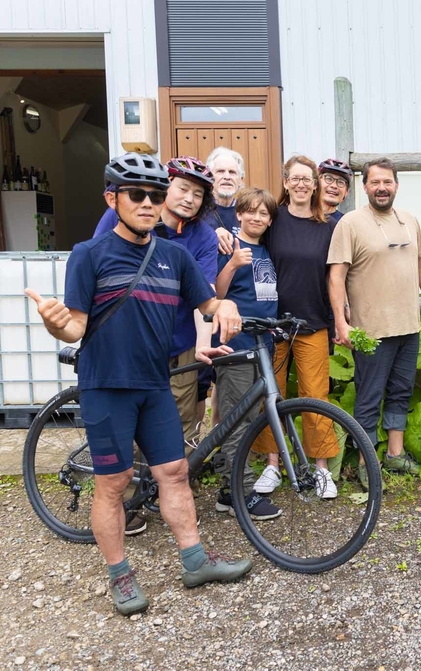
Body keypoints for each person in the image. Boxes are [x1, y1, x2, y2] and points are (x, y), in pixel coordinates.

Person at [25, 153, 252, 616]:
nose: (148, 202)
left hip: (155, 384)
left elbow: (208, 302)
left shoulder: (174, 255)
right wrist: (55, 325)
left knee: (174, 473)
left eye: (155, 194)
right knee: (115, 482)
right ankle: (121, 576)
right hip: (106, 385)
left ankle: (194, 560)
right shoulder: (90, 254)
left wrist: (224, 309)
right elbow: (76, 328)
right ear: (113, 199)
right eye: (136, 194)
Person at [93, 155, 219, 535]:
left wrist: (202, 343)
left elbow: (206, 295)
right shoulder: (121, 219)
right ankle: (127, 501)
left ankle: (165, 492)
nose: (189, 199)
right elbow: (99, 269)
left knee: (175, 423)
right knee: (126, 429)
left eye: (198, 194)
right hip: (125, 345)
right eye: (182, 189)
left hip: (176, 339)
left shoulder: (201, 237)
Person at [218, 155, 342, 498]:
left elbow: (340, 272)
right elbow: (243, 225)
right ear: (286, 182)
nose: (302, 184)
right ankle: (273, 464)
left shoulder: (329, 224)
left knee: (316, 395)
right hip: (272, 325)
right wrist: (219, 230)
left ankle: (320, 469)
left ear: (315, 184)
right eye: (295, 178)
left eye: (308, 179)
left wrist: (342, 319)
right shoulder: (274, 220)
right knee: (273, 396)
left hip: (313, 321)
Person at [327, 157, 421, 489]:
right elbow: (336, 277)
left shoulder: (409, 220)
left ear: (396, 185)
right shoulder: (350, 223)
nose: (381, 187)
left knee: (401, 391)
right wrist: (340, 322)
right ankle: (366, 461)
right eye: (375, 182)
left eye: (387, 182)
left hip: (408, 325)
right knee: (368, 395)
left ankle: (394, 453)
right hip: (370, 330)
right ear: (365, 187)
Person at [211, 187, 283, 519]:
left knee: (248, 417)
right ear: (238, 213)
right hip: (236, 346)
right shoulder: (229, 245)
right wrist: (232, 264)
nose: (256, 217)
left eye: (263, 213)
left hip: (262, 344)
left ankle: (228, 490)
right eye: (250, 211)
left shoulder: (266, 250)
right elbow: (215, 294)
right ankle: (244, 493)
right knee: (236, 420)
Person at [205, 146, 245, 234]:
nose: (227, 177)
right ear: (209, 177)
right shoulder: (199, 210)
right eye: (220, 171)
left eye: (232, 172)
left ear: (240, 180)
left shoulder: (247, 212)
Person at [317, 158, 353, 224]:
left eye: (340, 182)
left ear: (346, 192)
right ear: (316, 184)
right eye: (329, 179)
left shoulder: (347, 224)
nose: (334, 186)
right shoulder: (301, 216)